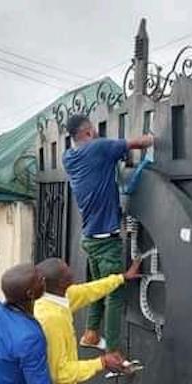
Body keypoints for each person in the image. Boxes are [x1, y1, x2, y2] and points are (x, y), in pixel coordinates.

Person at [63, 113, 153, 355]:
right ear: (89, 132)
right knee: (114, 293)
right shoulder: (99, 148)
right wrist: (155, 137)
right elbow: (139, 143)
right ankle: (113, 352)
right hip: (105, 241)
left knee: (97, 287)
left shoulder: (69, 157)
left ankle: (91, 333)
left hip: (89, 238)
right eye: (94, 130)